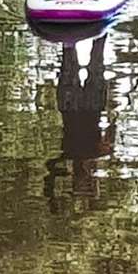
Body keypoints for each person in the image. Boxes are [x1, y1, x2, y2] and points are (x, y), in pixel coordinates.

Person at [46, 35, 115, 210]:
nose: (87, 180)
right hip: (92, 106)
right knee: (97, 56)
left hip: (71, 106)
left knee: (70, 56)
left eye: (83, 185)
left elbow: (49, 172)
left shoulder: (67, 157)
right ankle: (98, 26)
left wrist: (53, 198)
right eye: (90, 185)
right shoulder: (97, 153)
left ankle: (69, 27)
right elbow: (111, 131)